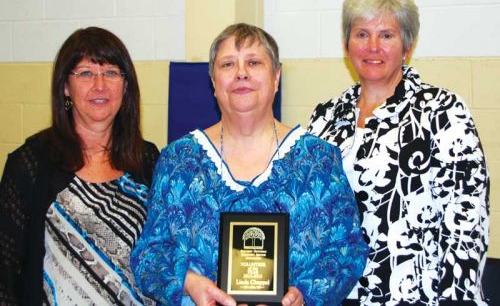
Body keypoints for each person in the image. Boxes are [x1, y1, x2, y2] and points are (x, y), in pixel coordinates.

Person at [131, 23, 368, 306]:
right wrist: (189, 283)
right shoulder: (178, 162)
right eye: (228, 64)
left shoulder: (318, 159)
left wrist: (304, 294)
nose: (241, 73)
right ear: (213, 81)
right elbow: (149, 255)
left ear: (276, 76)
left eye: (254, 63)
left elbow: (347, 250)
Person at [308, 0, 490, 306]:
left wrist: (457, 298)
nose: (372, 46)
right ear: (347, 44)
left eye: (386, 35)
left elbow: (467, 217)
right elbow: (307, 210)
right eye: (362, 34)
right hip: (334, 295)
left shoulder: (442, 112)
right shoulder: (324, 119)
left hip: (414, 295)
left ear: (407, 45)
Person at [0, 27, 159, 305]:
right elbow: (5, 272)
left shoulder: (147, 159)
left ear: (125, 85)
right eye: (85, 73)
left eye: (111, 72)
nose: (100, 85)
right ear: (65, 86)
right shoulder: (30, 163)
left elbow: (161, 254)